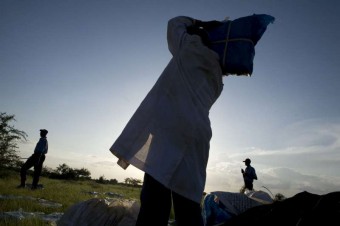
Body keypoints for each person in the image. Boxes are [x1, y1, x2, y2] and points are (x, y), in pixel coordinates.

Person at [110, 15, 274, 226]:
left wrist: (200, 23)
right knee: (187, 199)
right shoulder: (216, 74)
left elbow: (174, 23)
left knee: (154, 200)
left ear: (199, 37)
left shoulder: (190, 48)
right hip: (197, 137)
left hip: (170, 130)